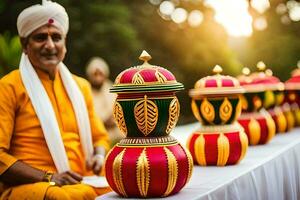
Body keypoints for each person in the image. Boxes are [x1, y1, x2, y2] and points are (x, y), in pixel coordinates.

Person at [0, 1, 111, 199]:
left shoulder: (81, 86)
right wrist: (48, 177)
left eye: (56, 38)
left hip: (81, 179)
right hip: (34, 185)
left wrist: (99, 156)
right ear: (25, 45)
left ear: (65, 44)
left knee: (122, 187)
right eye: (40, 38)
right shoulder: (9, 87)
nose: (50, 45)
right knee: (63, 197)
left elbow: (100, 137)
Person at [86, 57, 124, 145]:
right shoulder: (85, 91)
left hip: (117, 136)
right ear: (90, 75)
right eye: (95, 74)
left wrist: (114, 119)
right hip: (95, 138)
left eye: (100, 74)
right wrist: (102, 122)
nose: (98, 77)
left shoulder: (113, 90)